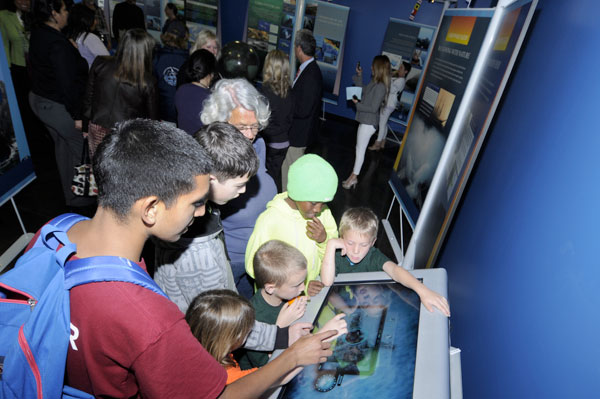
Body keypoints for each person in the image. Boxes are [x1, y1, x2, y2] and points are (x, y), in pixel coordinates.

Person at [18, 118, 337, 398]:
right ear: (152, 208)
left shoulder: (57, 229)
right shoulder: (152, 320)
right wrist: (292, 355)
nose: (201, 212)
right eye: (195, 203)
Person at [154, 122, 258, 313]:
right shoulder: (198, 253)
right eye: (238, 185)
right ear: (211, 179)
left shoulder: (194, 204)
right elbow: (217, 318)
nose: (243, 191)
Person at [201, 78, 277, 298]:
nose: (251, 134)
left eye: (255, 125)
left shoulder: (258, 144)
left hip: (258, 251)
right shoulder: (210, 157)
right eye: (242, 127)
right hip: (232, 259)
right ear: (220, 122)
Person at [186, 289, 347, 385]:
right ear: (227, 340)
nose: (253, 331)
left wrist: (285, 334)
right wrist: (320, 339)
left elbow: (258, 334)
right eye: (247, 331)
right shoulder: (226, 377)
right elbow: (274, 378)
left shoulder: (205, 339)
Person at [320, 207, 450, 317]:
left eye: (363, 245)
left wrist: (423, 291)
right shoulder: (336, 256)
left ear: (372, 242)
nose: (355, 250)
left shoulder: (373, 256)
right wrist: (331, 245)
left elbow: (395, 270)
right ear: (341, 238)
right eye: (350, 243)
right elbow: (326, 282)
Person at [245, 154, 338, 298]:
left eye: (323, 203)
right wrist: (302, 285)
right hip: (277, 301)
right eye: (314, 203)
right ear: (297, 193)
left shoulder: (324, 215)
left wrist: (323, 240)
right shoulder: (270, 220)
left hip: (311, 290)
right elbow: (253, 267)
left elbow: (331, 255)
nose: (318, 209)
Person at [28, 0, 91, 209]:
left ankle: (72, 197)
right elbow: (68, 84)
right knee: (83, 150)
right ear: (54, 13)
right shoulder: (57, 44)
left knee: (63, 148)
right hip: (57, 106)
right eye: (64, 10)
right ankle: (87, 198)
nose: (67, 13)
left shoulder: (40, 33)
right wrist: (78, 116)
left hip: (40, 101)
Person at [83, 28, 157, 157]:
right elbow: (151, 119)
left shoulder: (101, 63)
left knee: (98, 168)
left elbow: (88, 98)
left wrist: (85, 127)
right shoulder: (147, 80)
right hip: (125, 134)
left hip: (97, 126)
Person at [238, 240, 309, 369]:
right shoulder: (253, 320)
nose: (303, 287)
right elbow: (265, 366)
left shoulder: (287, 295)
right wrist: (281, 327)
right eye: (297, 285)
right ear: (271, 288)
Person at [281, 29, 322, 191]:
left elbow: (304, 109)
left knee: (291, 173)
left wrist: (286, 107)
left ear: (298, 49)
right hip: (299, 133)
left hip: (298, 135)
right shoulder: (310, 69)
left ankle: (288, 204)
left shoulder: (311, 74)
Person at [342, 55, 391, 189]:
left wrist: (357, 104)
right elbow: (363, 90)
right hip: (366, 121)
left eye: (373, 65)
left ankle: (353, 177)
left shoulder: (380, 86)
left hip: (369, 123)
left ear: (378, 67)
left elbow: (373, 108)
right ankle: (353, 176)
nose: (371, 67)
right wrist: (360, 74)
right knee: (359, 149)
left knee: (360, 151)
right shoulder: (375, 82)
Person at [260, 49, 294, 192]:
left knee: (263, 178)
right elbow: (290, 119)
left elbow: (261, 121)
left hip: (269, 143)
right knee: (275, 176)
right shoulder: (290, 91)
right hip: (284, 143)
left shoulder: (264, 92)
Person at [369, 61, 411, 151]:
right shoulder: (398, 79)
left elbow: (391, 90)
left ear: (406, 72)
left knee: (381, 124)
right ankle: (383, 142)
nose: (399, 69)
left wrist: (388, 78)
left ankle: (377, 144)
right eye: (400, 67)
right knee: (384, 124)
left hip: (389, 104)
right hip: (388, 103)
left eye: (401, 68)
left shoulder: (401, 81)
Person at [154, 18, 189, 123]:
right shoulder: (188, 60)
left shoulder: (156, 56)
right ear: (184, 38)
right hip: (181, 115)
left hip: (160, 113)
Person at [175, 49, 216, 134]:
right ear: (210, 72)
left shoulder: (181, 90)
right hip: (201, 144)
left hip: (183, 142)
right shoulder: (210, 98)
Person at [65, 3, 109, 68]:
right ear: (87, 20)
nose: (96, 22)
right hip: (93, 75)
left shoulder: (70, 36)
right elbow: (107, 60)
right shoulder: (89, 37)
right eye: (94, 18)